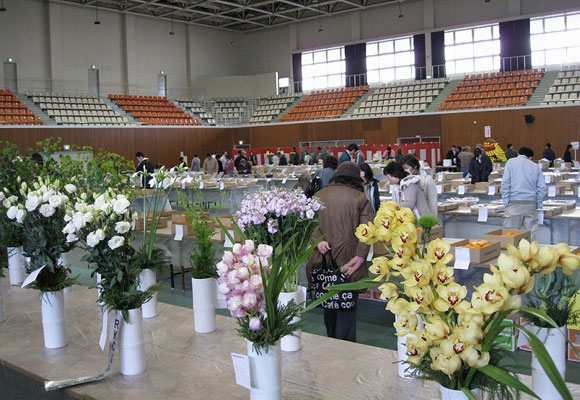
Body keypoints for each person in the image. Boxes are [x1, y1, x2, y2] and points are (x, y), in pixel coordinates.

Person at [306, 162, 374, 342]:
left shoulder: (319, 195)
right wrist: (360, 256)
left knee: (328, 302)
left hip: (323, 258)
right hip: (348, 258)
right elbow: (368, 230)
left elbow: (309, 224)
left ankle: (331, 341)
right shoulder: (360, 198)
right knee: (346, 305)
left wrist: (318, 241)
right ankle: (346, 346)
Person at [501, 147, 546, 240]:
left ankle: (512, 254)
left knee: (511, 235)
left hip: (514, 203)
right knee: (530, 234)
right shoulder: (535, 166)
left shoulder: (510, 163)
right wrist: (539, 203)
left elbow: (505, 183)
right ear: (530, 157)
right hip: (531, 204)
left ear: (518, 153)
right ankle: (531, 254)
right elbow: (542, 188)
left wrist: (506, 202)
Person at [400, 154, 438, 219]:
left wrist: (433, 220)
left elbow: (432, 202)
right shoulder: (406, 180)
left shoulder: (427, 179)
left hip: (424, 215)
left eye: (407, 168)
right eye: (404, 168)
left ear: (415, 166)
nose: (406, 170)